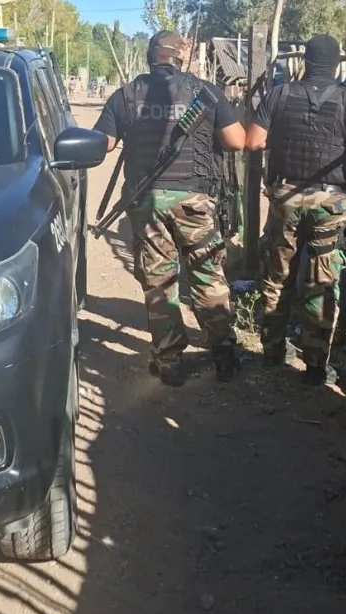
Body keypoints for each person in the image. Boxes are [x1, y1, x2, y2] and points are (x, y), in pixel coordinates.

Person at [93, 30, 246, 386]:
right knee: (208, 274)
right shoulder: (204, 92)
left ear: (150, 56)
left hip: (146, 202)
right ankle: (223, 354)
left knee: (159, 281)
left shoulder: (126, 95)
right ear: (180, 57)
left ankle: (169, 363)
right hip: (195, 199)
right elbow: (237, 141)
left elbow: (102, 145)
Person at [244, 34, 346, 386]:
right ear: (337, 64)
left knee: (278, 276)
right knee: (321, 281)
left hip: (286, 197)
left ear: (305, 61)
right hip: (329, 203)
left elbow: (253, 141)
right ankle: (315, 366)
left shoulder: (279, 94)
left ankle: (273, 353)